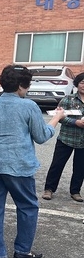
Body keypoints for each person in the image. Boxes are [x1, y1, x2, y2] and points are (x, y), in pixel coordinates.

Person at [0, 65, 65, 258]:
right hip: (18, 164)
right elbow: (42, 136)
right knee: (27, 206)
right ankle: (23, 250)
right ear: (20, 86)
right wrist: (56, 118)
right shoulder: (28, 106)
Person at [42, 72, 84, 202]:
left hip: (82, 142)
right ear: (77, 84)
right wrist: (75, 122)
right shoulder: (68, 99)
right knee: (57, 165)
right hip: (66, 139)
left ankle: (75, 191)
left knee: (80, 167)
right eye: (82, 82)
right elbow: (58, 116)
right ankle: (49, 189)